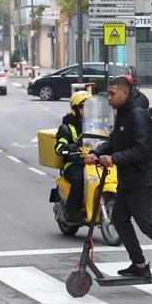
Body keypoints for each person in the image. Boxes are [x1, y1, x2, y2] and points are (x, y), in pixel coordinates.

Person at [85, 76, 152, 281]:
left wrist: (114, 158)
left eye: (112, 94)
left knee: (147, 224)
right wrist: (96, 153)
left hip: (144, 178)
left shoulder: (137, 115)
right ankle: (139, 264)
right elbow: (114, 141)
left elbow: (142, 149)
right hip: (129, 177)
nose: (109, 98)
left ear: (125, 93)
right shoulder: (124, 113)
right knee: (119, 218)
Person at [55, 91, 92, 224]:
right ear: (76, 109)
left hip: (93, 161)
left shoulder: (96, 124)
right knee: (79, 180)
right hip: (74, 162)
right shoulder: (66, 127)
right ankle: (72, 212)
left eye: (89, 106)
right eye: (83, 107)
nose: (86, 110)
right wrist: (71, 147)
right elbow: (59, 147)